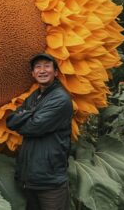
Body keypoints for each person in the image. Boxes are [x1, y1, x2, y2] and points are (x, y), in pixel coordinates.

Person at [6, 53, 73, 210]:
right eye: (38, 67)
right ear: (33, 73)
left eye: (47, 66)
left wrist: (26, 115)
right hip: (30, 179)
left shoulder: (60, 99)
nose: (42, 70)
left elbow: (33, 127)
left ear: (56, 72)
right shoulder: (35, 96)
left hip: (50, 182)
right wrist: (31, 114)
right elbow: (10, 121)